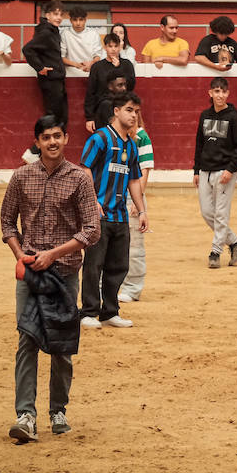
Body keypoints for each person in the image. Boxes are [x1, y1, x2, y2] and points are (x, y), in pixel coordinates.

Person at [0, 115, 100, 443]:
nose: (53, 142)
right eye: (46, 137)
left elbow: (92, 229)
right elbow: (7, 222)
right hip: (30, 274)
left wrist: (53, 254)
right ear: (38, 142)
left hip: (65, 272)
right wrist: (21, 257)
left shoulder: (80, 179)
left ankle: (59, 409)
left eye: (57, 136)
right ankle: (25, 415)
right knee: (27, 340)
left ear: (66, 139)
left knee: (61, 344)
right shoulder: (21, 177)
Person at [79, 92, 149, 329]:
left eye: (136, 111)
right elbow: (85, 169)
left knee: (118, 266)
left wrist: (141, 211)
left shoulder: (130, 144)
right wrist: (91, 201)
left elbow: (133, 180)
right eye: (129, 110)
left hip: (119, 214)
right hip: (98, 214)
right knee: (93, 264)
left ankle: (109, 311)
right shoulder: (100, 138)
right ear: (116, 111)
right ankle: (88, 311)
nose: (134, 115)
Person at [194, 77, 237, 269]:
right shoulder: (204, 115)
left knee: (221, 213)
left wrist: (231, 168)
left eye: (223, 91)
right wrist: (196, 170)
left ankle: (215, 251)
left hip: (225, 171)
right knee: (207, 212)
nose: (219, 95)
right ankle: (235, 242)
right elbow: (199, 143)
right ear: (210, 93)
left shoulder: (233, 117)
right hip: (205, 170)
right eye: (216, 91)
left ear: (227, 93)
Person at [22, 2, 68, 162]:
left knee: (60, 119)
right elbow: (27, 49)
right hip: (51, 81)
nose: (59, 17)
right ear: (47, 15)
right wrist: (40, 67)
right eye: (55, 14)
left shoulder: (52, 31)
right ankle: (34, 152)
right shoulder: (47, 33)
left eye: (61, 14)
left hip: (56, 80)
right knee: (54, 119)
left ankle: (38, 154)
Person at [117, 106, 154, 304]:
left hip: (132, 197)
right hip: (116, 197)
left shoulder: (141, 137)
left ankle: (133, 289)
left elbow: (145, 170)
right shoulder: (119, 137)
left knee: (135, 248)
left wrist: (136, 200)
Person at [84, 35, 137, 131]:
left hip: (122, 106)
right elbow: (91, 92)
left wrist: (118, 67)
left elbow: (131, 86)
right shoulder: (97, 67)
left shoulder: (126, 64)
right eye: (110, 46)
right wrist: (89, 118)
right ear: (105, 47)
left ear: (120, 47)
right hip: (102, 108)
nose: (113, 49)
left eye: (115, 46)